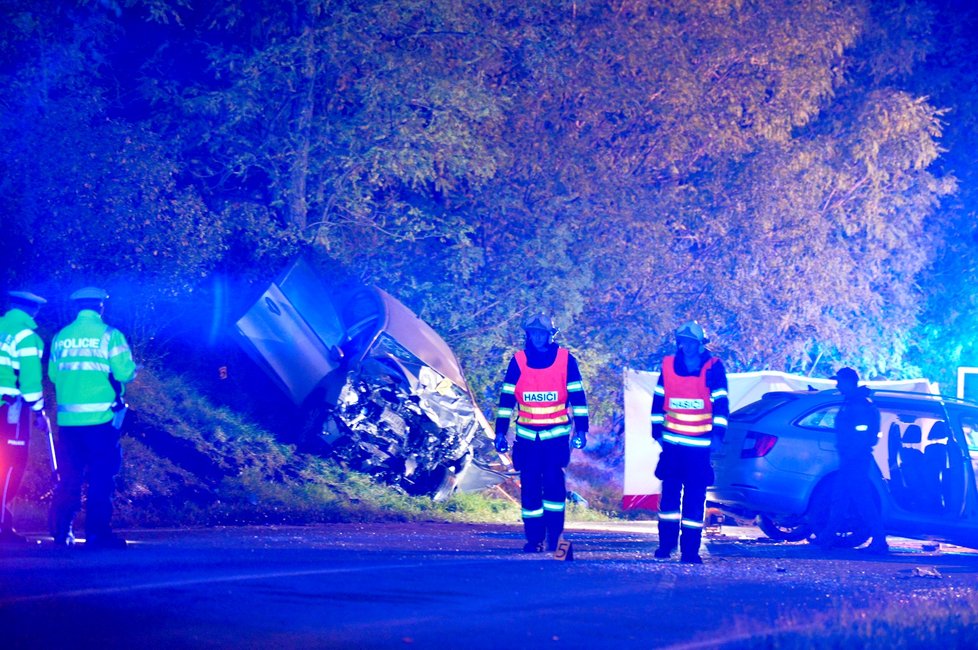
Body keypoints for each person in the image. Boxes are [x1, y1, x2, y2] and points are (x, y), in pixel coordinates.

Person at [48, 287, 137, 549]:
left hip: (69, 423)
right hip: (100, 422)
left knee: (70, 477)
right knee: (101, 477)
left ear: (77, 308)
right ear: (101, 307)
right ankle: (96, 535)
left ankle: (61, 531)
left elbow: (54, 375)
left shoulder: (61, 337)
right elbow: (124, 373)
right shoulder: (110, 336)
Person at [494, 312, 589, 553]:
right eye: (533, 333)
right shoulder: (517, 361)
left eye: (541, 333)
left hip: (555, 440)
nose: (537, 337)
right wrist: (500, 432)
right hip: (527, 440)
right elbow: (506, 399)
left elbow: (578, 398)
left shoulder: (566, 360)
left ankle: (556, 539)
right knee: (530, 492)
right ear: (528, 335)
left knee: (555, 489)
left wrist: (582, 430)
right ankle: (534, 539)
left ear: (550, 336)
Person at [650, 321, 728, 564]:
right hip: (673, 447)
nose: (687, 346)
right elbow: (659, 399)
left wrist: (717, 435)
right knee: (670, 499)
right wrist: (657, 431)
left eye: (692, 342)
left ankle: (690, 551)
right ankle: (666, 545)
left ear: (700, 344)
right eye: (683, 341)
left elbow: (721, 404)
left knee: (695, 500)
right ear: (679, 342)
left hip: (699, 447)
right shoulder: (669, 366)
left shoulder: (713, 367)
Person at [816, 367, 888, 554]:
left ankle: (880, 540)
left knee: (861, 500)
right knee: (840, 498)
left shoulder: (859, 405)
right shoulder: (852, 402)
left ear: (849, 382)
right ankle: (827, 538)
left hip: (856, 460)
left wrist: (852, 454)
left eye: (840, 381)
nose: (837, 385)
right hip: (850, 459)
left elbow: (864, 433)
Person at [0, 290, 50, 543]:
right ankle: (1, 525)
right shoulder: (26, 337)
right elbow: (30, 382)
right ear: (33, 310)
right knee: (11, 464)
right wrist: (39, 411)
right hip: (10, 412)